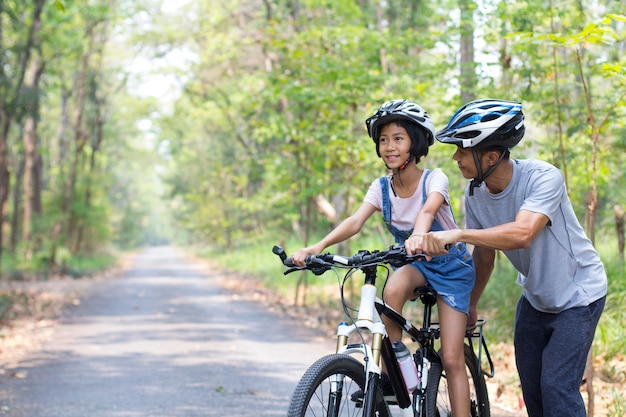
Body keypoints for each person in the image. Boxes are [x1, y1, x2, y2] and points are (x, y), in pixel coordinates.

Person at [421, 98, 608, 417]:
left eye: (462, 150)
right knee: (533, 391)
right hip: (535, 299)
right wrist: (471, 303)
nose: (455, 157)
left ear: (491, 156)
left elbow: (523, 232)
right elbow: (484, 256)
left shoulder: (543, 178)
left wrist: (458, 234)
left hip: (579, 296)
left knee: (557, 388)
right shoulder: (475, 193)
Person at [292, 99, 475, 416]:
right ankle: (396, 373)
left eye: (398, 138)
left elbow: (428, 210)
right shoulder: (381, 188)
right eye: (383, 140)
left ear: (415, 143)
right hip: (414, 262)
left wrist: (419, 235)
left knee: (451, 358)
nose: (389, 146)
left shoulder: (435, 178)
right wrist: (315, 248)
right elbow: (353, 222)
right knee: (391, 290)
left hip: (450, 268)